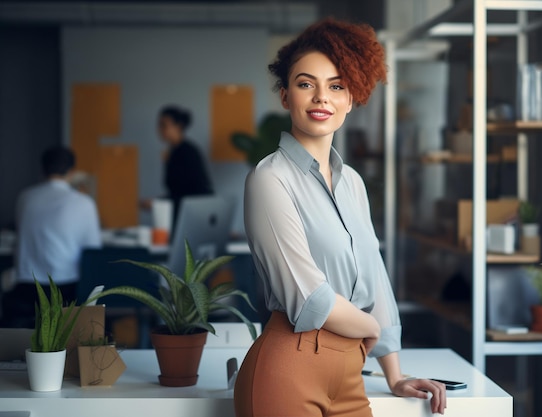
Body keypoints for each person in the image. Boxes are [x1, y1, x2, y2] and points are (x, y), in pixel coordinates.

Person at [234, 18, 447, 417]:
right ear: (285, 96)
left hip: (352, 375)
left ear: (352, 98)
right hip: (289, 369)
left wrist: (395, 375)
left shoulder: (352, 183)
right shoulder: (269, 178)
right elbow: (308, 299)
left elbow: (376, 279)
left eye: (336, 86)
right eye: (305, 83)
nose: (321, 98)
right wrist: (370, 328)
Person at [2, 146, 101, 327]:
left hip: (26, 288)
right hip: (65, 289)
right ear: (72, 171)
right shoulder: (83, 202)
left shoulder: (25, 197)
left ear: (42, 169)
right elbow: (93, 249)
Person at [141, 106, 213, 221]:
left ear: (178, 126)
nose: (159, 129)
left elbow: (195, 192)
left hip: (192, 217)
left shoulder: (187, 152)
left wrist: (158, 203)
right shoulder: (173, 152)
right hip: (182, 215)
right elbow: (177, 190)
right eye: (159, 125)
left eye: (164, 125)